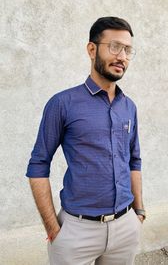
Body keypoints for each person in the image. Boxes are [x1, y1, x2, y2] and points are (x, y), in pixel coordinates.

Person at [26, 16, 146, 265]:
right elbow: (38, 166)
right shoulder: (62, 104)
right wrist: (53, 228)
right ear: (92, 49)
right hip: (76, 231)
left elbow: (134, 160)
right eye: (114, 47)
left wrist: (140, 211)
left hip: (125, 227)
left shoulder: (129, 107)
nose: (122, 56)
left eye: (127, 49)